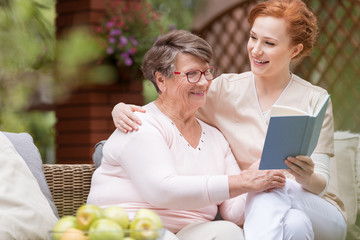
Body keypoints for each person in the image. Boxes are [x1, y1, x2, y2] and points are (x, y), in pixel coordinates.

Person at [110, 0, 347, 239]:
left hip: (317, 206)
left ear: (294, 50)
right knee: (294, 223)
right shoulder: (223, 90)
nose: (256, 50)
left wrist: (304, 176)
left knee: (271, 188)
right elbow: (174, 105)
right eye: (253, 37)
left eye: (269, 43)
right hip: (258, 206)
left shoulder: (315, 99)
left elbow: (321, 184)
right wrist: (119, 110)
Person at [87, 29, 286, 240]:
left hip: (186, 232)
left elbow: (233, 212)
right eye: (192, 74)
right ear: (161, 80)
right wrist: (243, 181)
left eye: (207, 71)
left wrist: (262, 175)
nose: (203, 82)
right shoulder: (139, 123)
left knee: (229, 232)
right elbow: (163, 191)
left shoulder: (215, 137)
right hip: (125, 227)